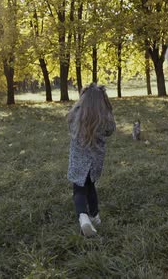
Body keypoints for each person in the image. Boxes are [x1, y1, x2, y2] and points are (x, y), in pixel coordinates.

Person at [66, 83, 116, 237]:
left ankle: (83, 217)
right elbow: (111, 130)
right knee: (90, 186)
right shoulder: (104, 118)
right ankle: (95, 216)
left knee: (79, 190)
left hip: (78, 162)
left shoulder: (76, 114)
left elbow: (69, 123)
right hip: (94, 162)